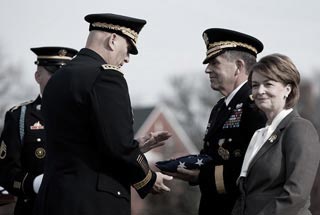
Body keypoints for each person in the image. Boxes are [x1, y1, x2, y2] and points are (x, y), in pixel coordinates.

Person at [34, 13, 173, 215]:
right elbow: (119, 147)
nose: (126, 58)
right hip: (93, 203)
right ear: (113, 40)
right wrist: (149, 178)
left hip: (53, 199)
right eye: (128, 49)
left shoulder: (58, 78)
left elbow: (83, 141)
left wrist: (136, 146)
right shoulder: (106, 76)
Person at [163, 28, 267, 215]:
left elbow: (254, 168)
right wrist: (188, 164)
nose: (207, 69)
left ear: (238, 66)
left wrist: (202, 176)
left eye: (214, 63)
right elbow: (213, 156)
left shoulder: (256, 106)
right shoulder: (220, 107)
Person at [232, 53, 320, 215]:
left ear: (288, 89)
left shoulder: (300, 129)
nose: (260, 91)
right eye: (255, 85)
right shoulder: (259, 134)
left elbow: (296, 194)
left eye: (268, 84)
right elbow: (244, 195)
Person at [0, 46, 78, 215]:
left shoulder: (85, 115)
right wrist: (34, 183)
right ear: (38, 77)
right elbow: (5, 171)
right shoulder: (20, 117)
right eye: (53, 75)